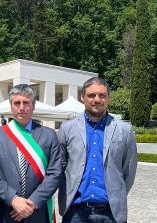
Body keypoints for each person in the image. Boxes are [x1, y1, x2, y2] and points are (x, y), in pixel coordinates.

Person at [57, 77, 138, 223]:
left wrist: (116, 195)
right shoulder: (67, 129)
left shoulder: (125, 130)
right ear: (82, 97)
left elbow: (129, 172)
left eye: (102, 95)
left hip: (110, 212)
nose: (97, 99)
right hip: (75, 211)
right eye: (91, 95)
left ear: (108, 98)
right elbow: (61, 168)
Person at [0, 84, 61, 223]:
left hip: (37, 212)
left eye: (26, 103)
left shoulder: (49, 135)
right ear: (11, 105)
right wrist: (13, 199)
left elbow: (55, 173)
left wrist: (32, 203)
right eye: (17, 103)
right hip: (4, 212)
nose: (21, 107)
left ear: (33, 105)